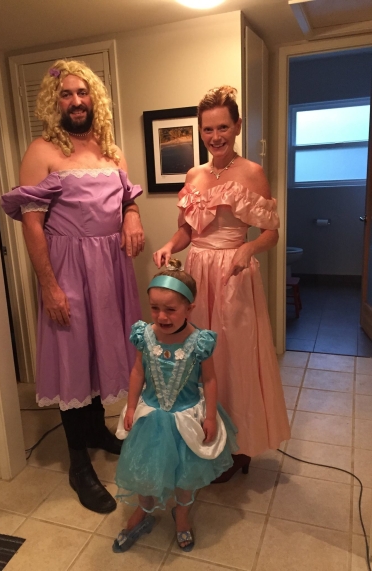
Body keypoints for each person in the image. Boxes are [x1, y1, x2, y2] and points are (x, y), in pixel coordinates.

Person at [0, 59, 145, 513]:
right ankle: (78, 462)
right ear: (55, 101)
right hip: (67, 269)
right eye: (66, 94)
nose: (76, 101)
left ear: (93, 98)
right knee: (72, 356)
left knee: (101, 351)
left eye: (82, 93)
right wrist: (49, 286)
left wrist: (133, 216)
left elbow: (126, 201)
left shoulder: (111, 151)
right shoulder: (41, 151)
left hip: (111, 269)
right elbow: (32, 225)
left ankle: (98, 430)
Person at [153, 86, 290, 482]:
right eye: (208, 129)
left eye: (223, 127)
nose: (216, 137)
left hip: (233, 275)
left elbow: (271, 232)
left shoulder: (252, 173)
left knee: (234, 360)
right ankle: (201, 436)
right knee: (198, 358)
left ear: (238, 126)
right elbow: (187, 231)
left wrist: (249, 248)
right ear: (200, 131)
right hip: (197, 275)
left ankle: (238, 445)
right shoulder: (194, 175)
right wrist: (169, 245)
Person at [112, 259, 239, 553]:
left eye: (170, 309)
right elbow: (138, 372)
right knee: (145, 469)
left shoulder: (199, 341)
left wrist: (210, 416)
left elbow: (209, 380)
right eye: (155, 308)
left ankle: (181, 515)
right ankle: (143, 510)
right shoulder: (144, 335)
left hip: (186, 419)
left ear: (189, 308)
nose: (162, 316)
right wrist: (130, 407)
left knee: (186, 474)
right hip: (151, 417)